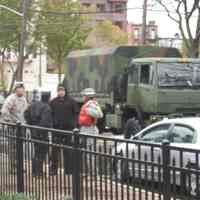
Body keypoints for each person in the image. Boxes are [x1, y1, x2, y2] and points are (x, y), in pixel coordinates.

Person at [50, 84, 79, 175]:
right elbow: (50, 114)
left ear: (65, 91)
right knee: (55, 150)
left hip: (68, 129)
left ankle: (68, 170)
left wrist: (74, 125)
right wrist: (52, 124)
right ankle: (54, 169)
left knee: (68, 151)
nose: (61, 92)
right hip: (56, 129)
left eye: (62, 90)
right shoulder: (53, 102)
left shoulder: (71, 101)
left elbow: (76, 114)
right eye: (59, 90)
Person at [1, 82, 28, 173]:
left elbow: (25, 112)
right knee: (12, 148)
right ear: (15, 89)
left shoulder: (24, 99)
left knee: (20, 148)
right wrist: (11, 122)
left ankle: (19, 166)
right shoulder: (11, 99)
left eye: (22, 88)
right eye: (19, 88)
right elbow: (4, 111)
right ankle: (12, 168)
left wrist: (25, 122)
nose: (21, 90)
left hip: (22, 126)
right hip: (13, 126)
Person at [24, 91, 52, 176]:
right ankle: (38, 172)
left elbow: (26, 114)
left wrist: (31, 124)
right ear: (48, 98)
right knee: (42, 151)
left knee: (37, 151)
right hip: (42, 132)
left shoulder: (33, 104)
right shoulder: (46, 107)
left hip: (34, 131)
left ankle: (35, 171)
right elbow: (45, 122)